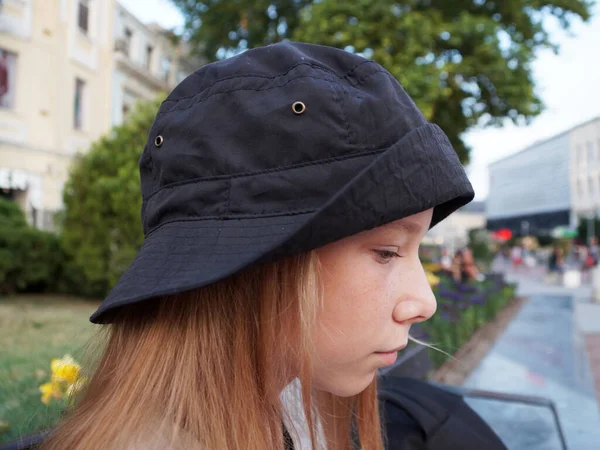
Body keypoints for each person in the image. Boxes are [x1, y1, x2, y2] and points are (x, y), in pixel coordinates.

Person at [20, 42, 506, 450]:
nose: (425, 302)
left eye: (415, 248)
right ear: (255, 268)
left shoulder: (352, 421)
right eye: (386, 251)